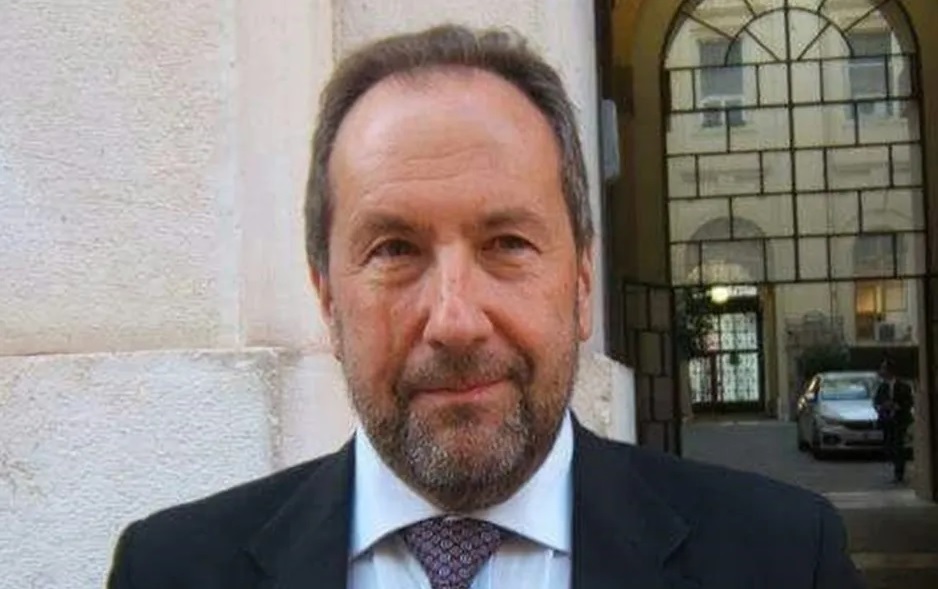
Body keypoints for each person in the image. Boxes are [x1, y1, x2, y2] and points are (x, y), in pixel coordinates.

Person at [106, 25, 864, 588]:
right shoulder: (169, 570)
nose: (456, 321)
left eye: (507, 243)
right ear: (327, 296)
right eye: (394, 250)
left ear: (582, 283)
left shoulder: (784, 560)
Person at [873, 358, 914, 483]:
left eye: (883, 368)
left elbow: (909, 402)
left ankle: (899, 473)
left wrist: (898, 406)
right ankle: (896, 463)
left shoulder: (904, 386)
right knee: (889, 446)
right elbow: (876, 401)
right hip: (887, 420)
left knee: (898, 446)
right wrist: (882, 406)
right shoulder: (882, 387)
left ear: (890, 371)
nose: (881, 371)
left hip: (900, 420)